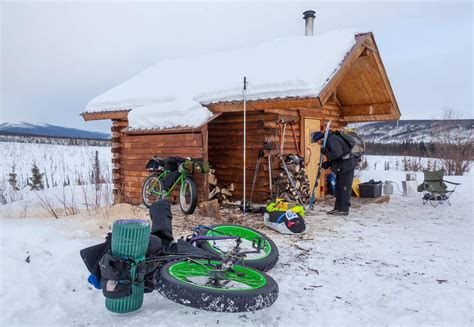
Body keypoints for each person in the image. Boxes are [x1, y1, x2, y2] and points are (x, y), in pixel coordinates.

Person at [312, 130, 358, 216]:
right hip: (342, 165)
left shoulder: (331, 139)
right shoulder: (330, 140)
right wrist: (326, 164)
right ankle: (337, 208)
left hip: (347, 165)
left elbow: (337, 154)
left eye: (317, 141)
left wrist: (325, 152)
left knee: (344, 188)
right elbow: (337, 157)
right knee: (339, 188)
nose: (318, 144)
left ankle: (344, 209)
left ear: (320, 139)